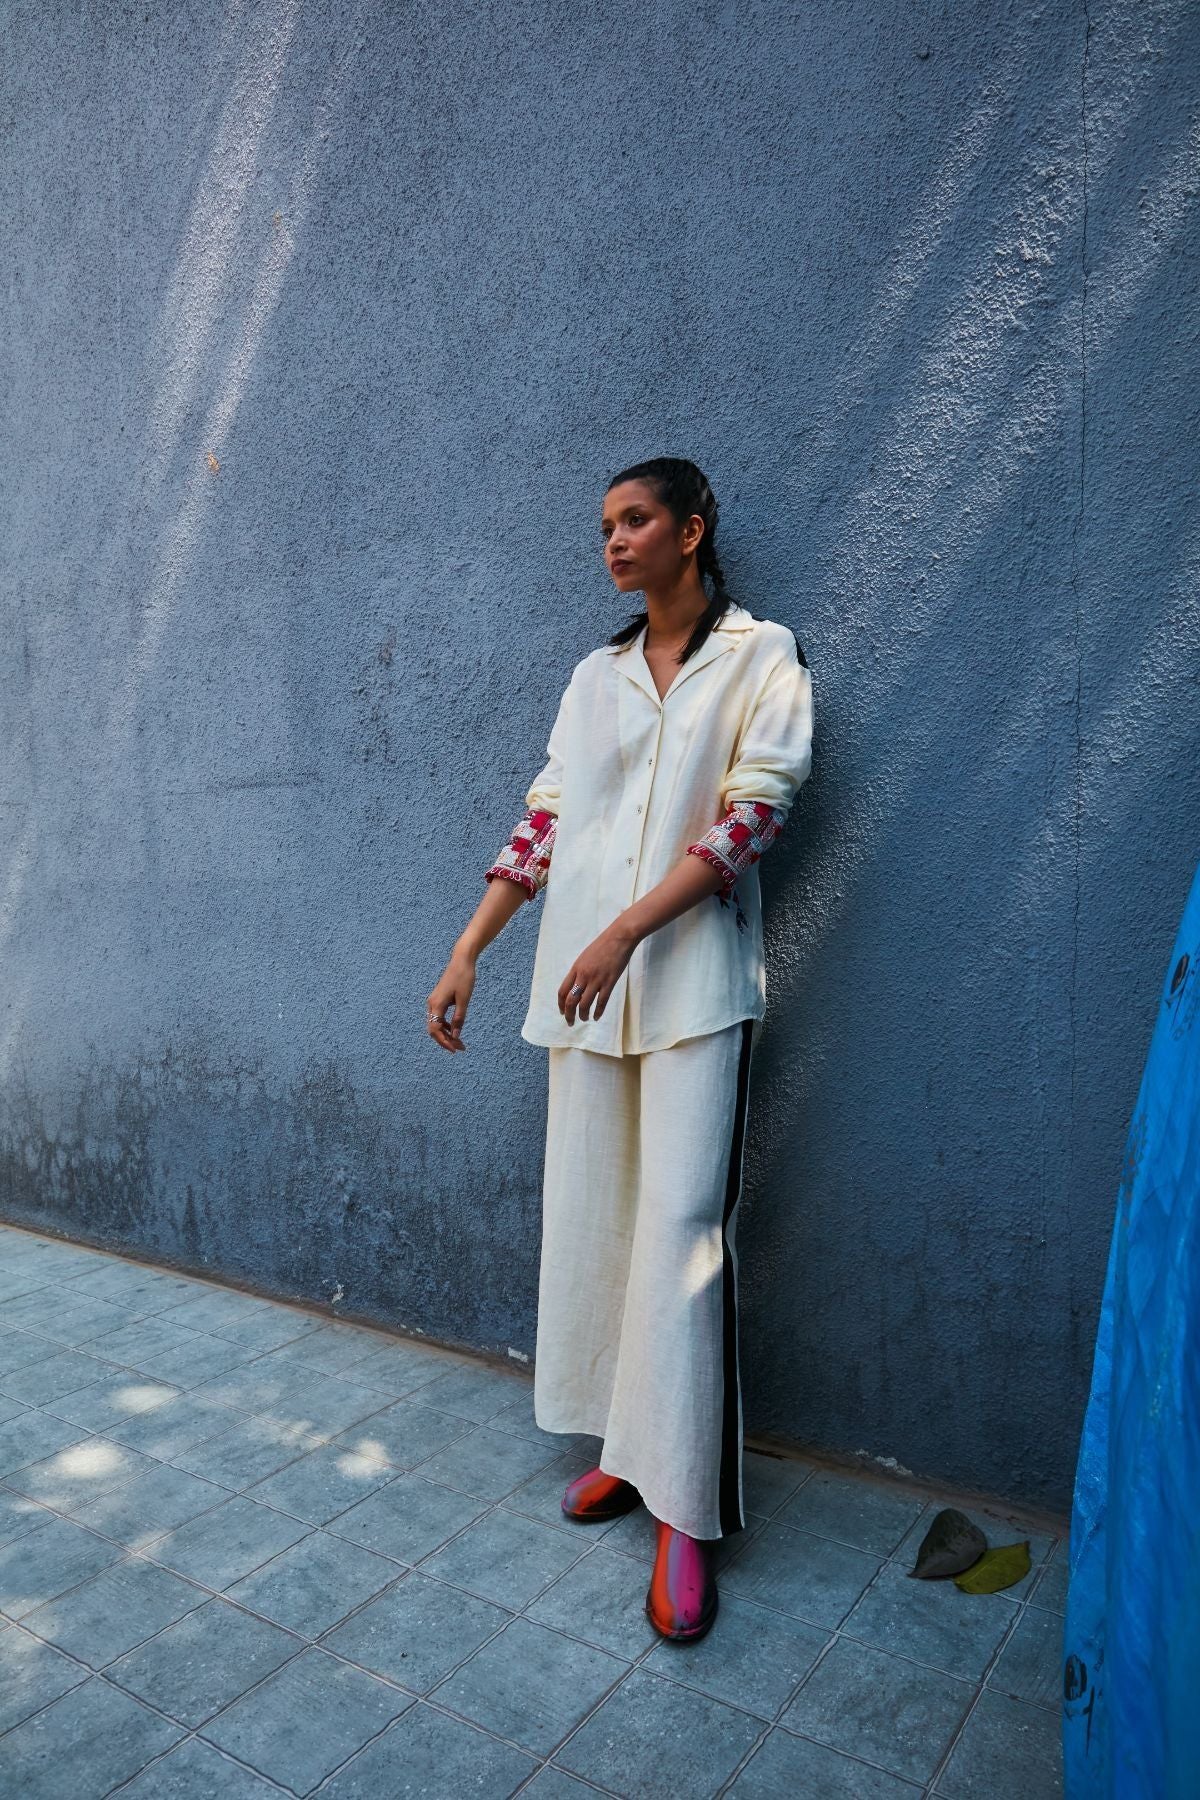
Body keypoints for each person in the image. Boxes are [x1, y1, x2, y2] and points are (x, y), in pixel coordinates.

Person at [426, 456, 814, 1643]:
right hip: (585, 999)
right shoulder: (592, 679)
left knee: (685, 1238)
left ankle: (688, 1513)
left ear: (692, 530)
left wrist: (626, 929)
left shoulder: (763, 655)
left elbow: (756, 810)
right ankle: (628, 1456)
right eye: (605, 525)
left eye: (636, 519)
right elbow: (546, 818)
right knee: (597, 1223)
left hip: (691, 989)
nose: (614, 540)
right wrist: (471, 949)